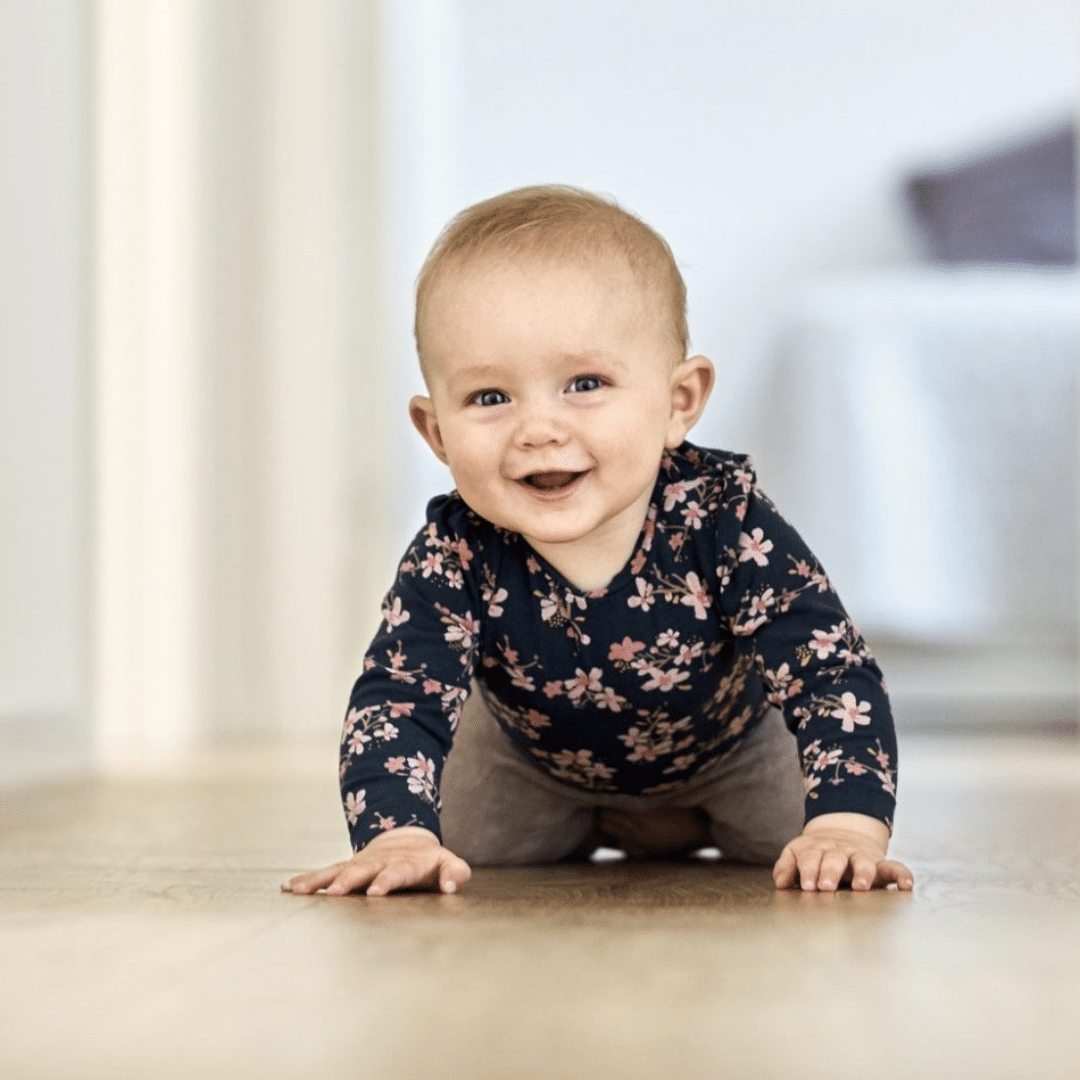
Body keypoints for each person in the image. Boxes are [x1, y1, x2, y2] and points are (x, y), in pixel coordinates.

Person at [282, 185, 914, 899]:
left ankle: (671, 819)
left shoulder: (723, 520)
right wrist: (396, 836)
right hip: (530, 760)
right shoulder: (454, 552)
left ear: (679, 402)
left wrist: (849, 825)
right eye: (490, 398)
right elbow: (398, 697)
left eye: (584, 383)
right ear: (435, 433)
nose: (539, 428)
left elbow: (830, 670)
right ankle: (602, 822)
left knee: (807, 840)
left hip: (735, 751)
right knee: (461, 841)